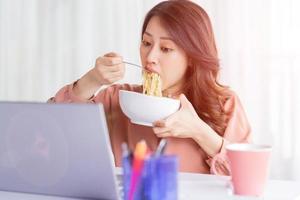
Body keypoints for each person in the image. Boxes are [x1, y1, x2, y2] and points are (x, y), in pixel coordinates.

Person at [48, 0, 251, 175]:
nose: (150, 58)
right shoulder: (119, 99)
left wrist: (199, 131)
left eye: (166, 48)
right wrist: (92, 79)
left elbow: (248, 178)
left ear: (191, 57)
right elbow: (51, 134)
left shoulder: (224, 105)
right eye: (146, 43)